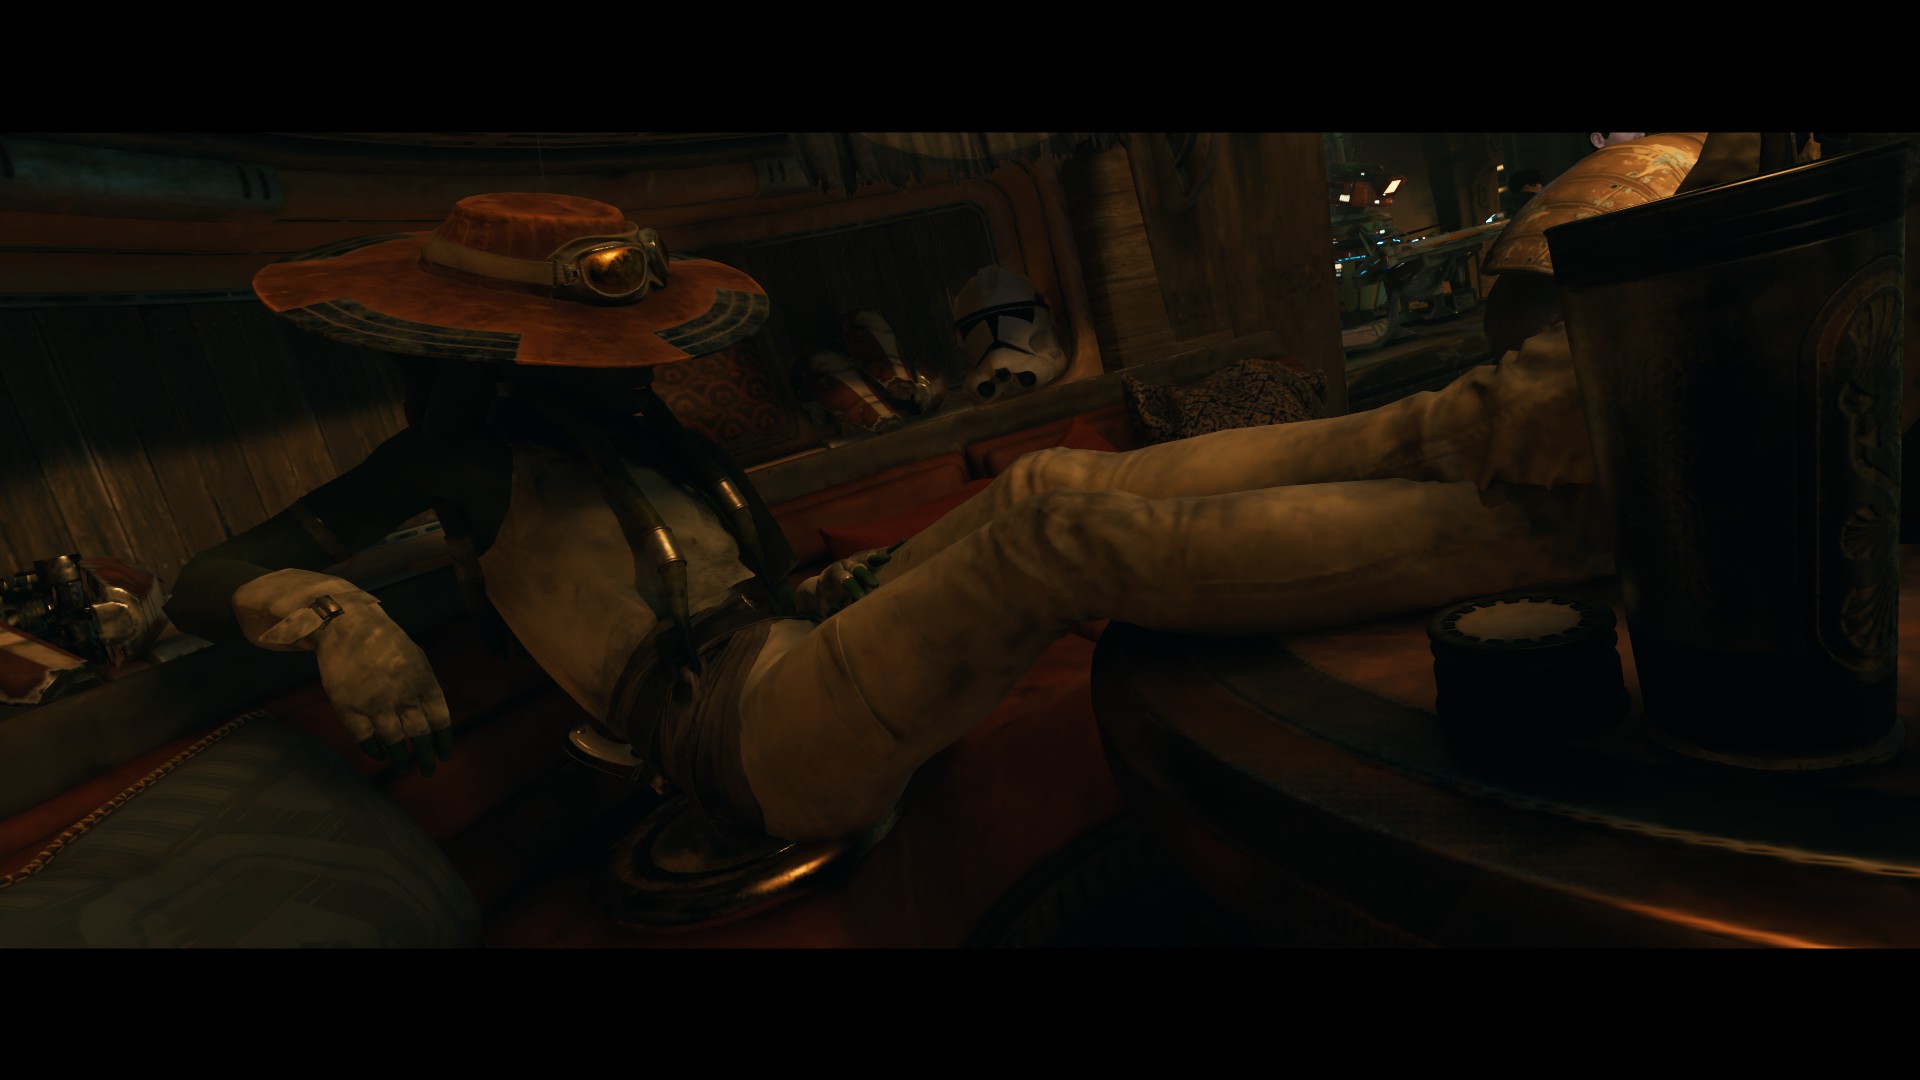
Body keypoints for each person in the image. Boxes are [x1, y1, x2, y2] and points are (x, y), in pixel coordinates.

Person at [166, 156, 1786, 855]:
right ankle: (1562, 529)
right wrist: (337, 618)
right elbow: (212, 572)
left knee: (1059, 480)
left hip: (791, 643)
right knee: (1054, 534)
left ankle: (1475, 435)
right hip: (739, 741)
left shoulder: (624, 428)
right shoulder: (456, 463)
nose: (630, 362)